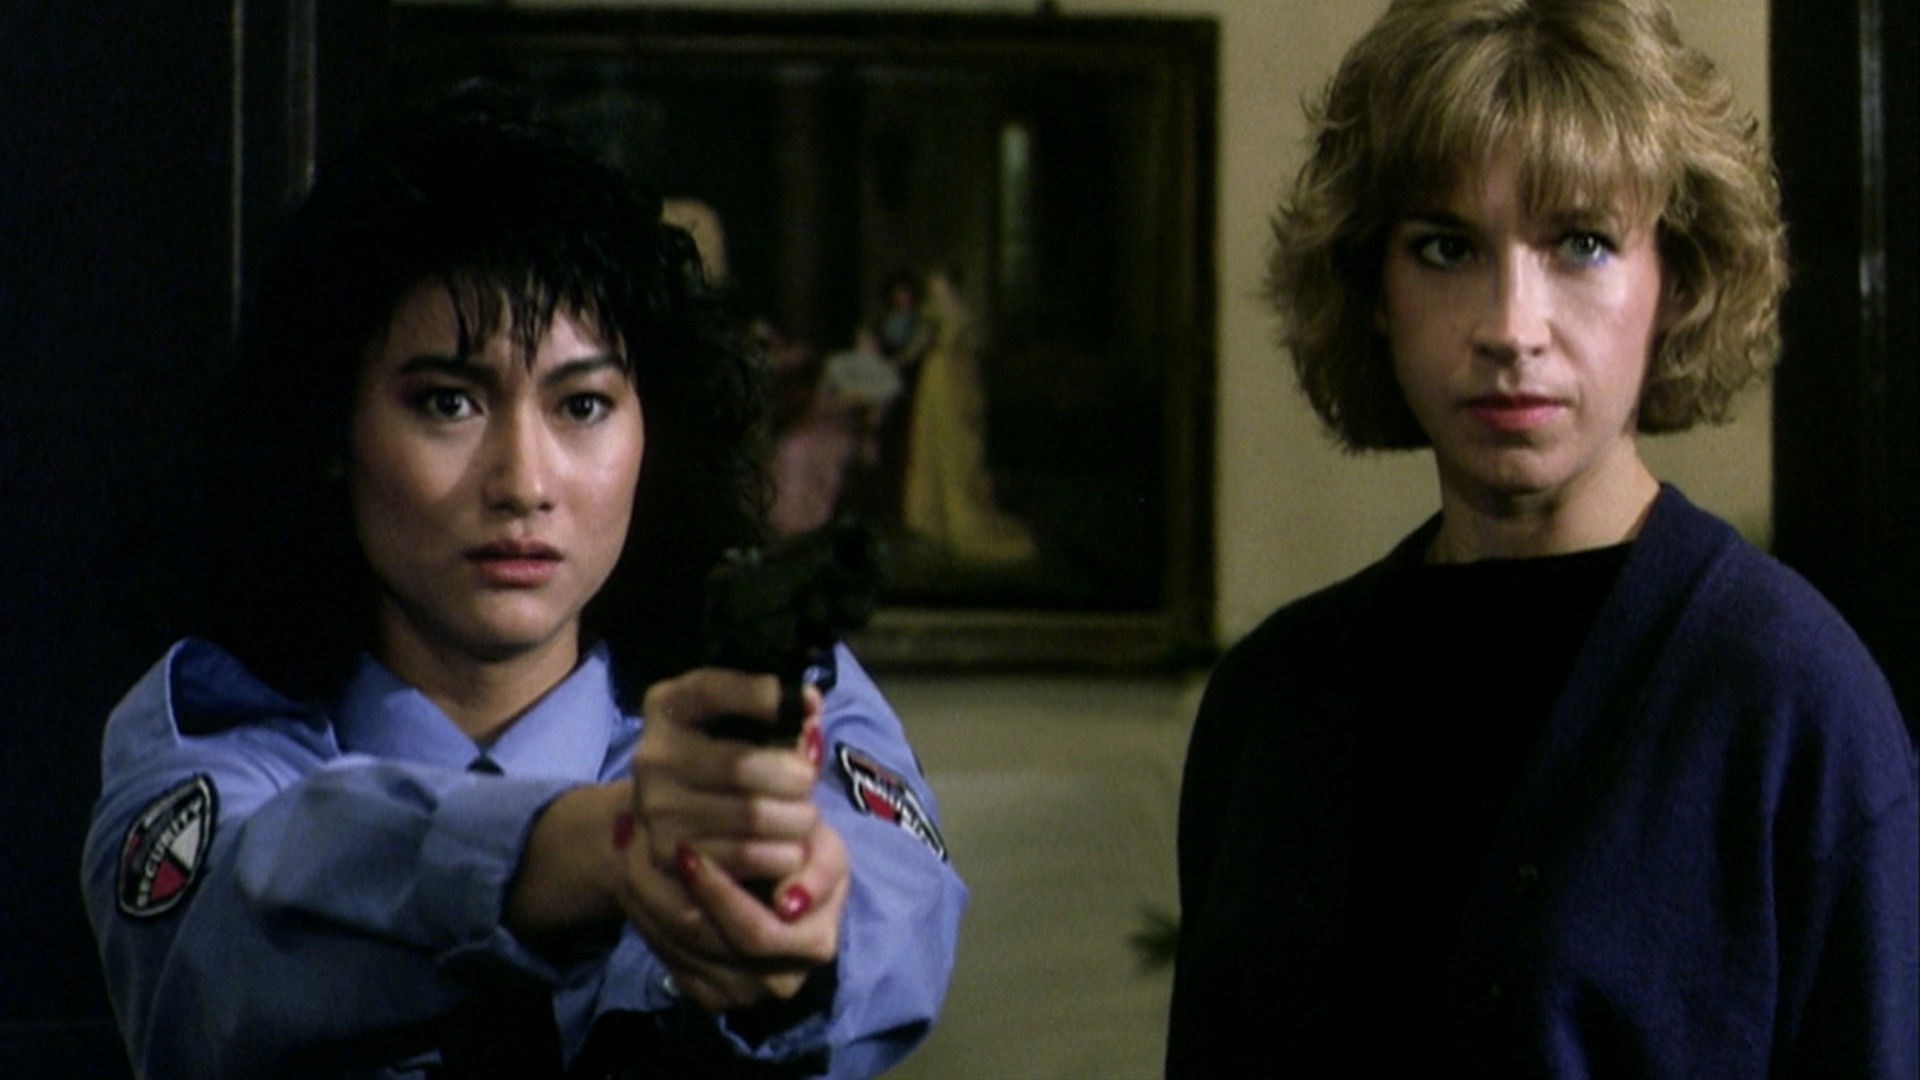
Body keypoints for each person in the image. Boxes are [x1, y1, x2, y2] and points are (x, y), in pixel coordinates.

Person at [81, 91, 965, 1079]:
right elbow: (228, 949)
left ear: (653, 432)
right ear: (331, 426)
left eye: (581, 405)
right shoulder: (212, 721)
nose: (523, 483)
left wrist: (778, 928)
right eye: (447, 402)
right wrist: (599, 850)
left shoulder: (774, 694)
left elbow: (894, 901)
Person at [1166, 1, 1917, 1076]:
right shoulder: (1273, 701)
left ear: (1676, 281)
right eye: (1445, 248)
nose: (1510, 328)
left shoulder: (1789, 698)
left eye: (1582, 245)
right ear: (1373, 288)